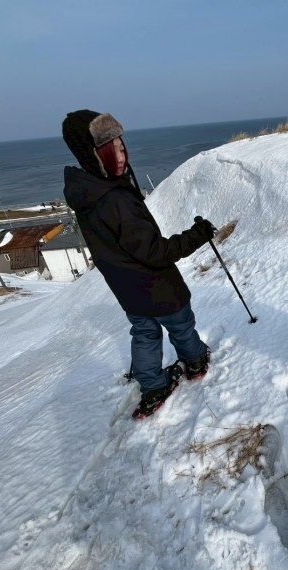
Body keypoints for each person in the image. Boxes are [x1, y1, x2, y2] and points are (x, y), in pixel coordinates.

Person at [62, 110, 216, 419]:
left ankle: (153, 386)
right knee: (181, 325)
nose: (122, 156)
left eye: (122, 146)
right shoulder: (114, 199)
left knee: (145, 335)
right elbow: (156, 252)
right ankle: (196, 361)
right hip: (159, 286)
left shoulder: (87, 191)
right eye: (112, 149)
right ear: (93, 154)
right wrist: (197, 235)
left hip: (128, 290)